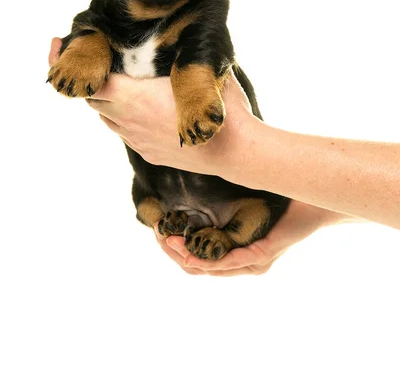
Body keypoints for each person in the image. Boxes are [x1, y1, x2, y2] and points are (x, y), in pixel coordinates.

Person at [48, 38, 400, 276]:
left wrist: (235, 151)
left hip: (237, 198)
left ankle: (225, 230)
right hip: (161, 192)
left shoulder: (201, 16)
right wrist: (312, 210)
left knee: (256, 208)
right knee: (145, 204)